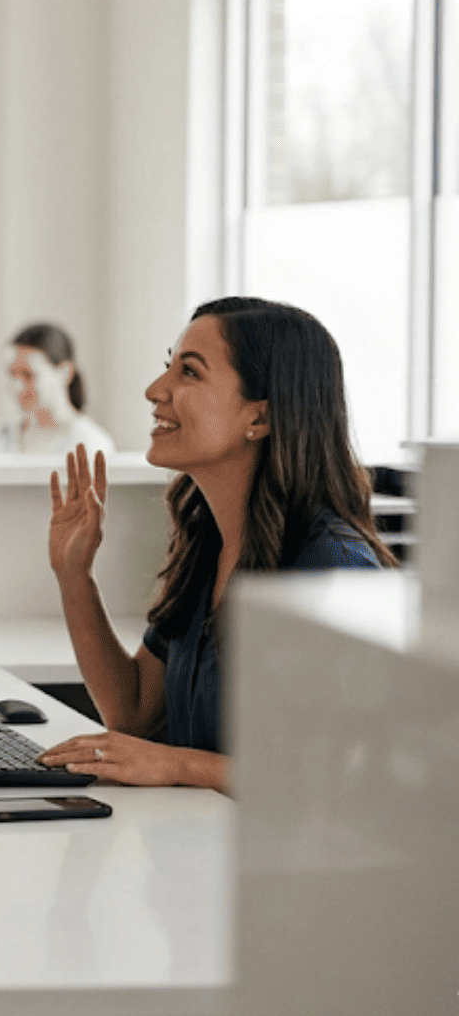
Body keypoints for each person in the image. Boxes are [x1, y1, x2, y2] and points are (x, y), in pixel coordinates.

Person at [36, 297, 395, 791]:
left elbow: (350, 776)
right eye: (169, 367)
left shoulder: (333, 567)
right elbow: (134, 711)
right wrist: (74, 574)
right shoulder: (211, 543)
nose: (155, 390)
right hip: (203, 847)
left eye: (189, 372)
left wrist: (178, 765)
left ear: (260, 418)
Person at [0, 321, 116, 457]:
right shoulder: (0, 435)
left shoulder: (91, 443)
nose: (17, 386)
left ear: (65, 373)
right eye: (12, 374)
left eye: (28, 375)